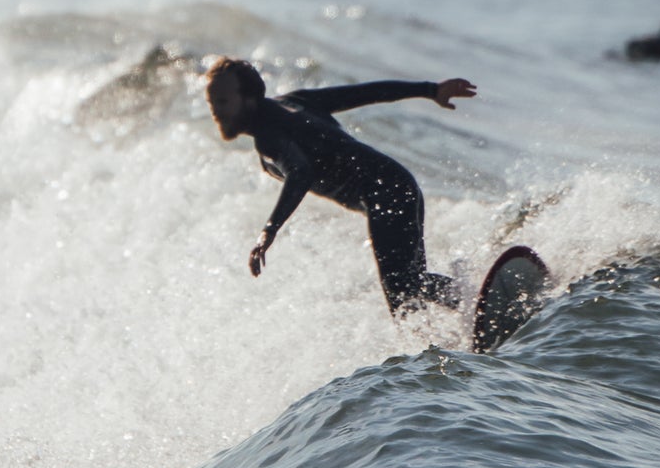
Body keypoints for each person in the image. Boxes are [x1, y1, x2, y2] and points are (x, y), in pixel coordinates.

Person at [204, 58, 476, 321]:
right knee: (410, 287)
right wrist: (430, 90)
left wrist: (269, 231)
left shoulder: (269, 135)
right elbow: (366, 93)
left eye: (223, 101)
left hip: (385, 193)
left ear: (249, 98)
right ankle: (466, 312)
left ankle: (473, 302)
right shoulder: (295, 102)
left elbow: (300, 173)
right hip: (398, 182)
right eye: (212, 102)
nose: (215, 110)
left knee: (404, 290)